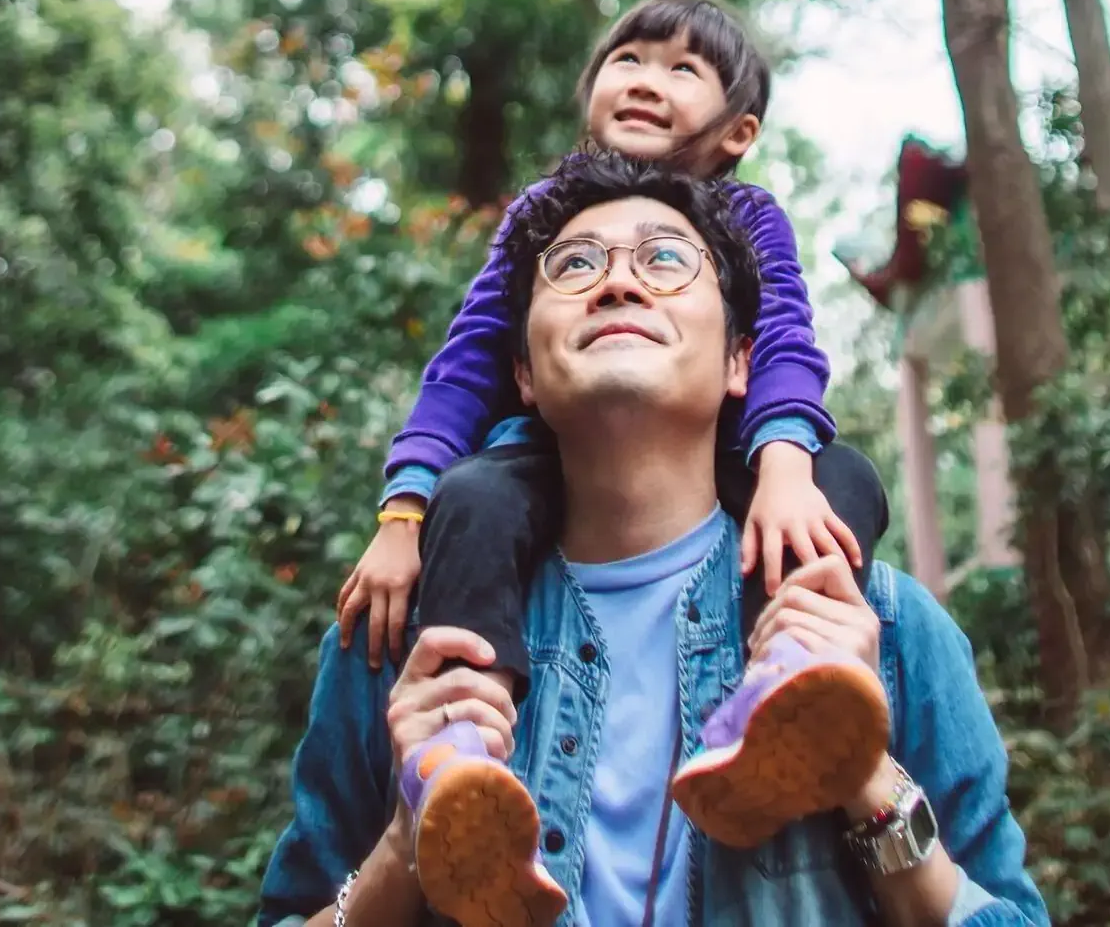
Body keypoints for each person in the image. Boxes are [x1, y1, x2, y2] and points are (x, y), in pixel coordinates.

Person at [261, 149, 1051, 927]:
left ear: (743, 360)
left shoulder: (885, 629)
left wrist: (867, 776)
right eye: (572, 267)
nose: (617, 281)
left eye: (667, 259)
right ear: (525, 376)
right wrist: (406, 847)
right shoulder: (404, 644)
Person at [335, 0, 898, 909]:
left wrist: (785, 459)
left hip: (732, 450)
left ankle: (788, 682)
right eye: (627, 58)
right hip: (544, 468)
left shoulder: (749, 217)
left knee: (845, 478)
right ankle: (461, 754)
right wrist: (404, 512)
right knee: (472, 496)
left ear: (737, 131)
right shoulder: (540, 220)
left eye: (684, 69)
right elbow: (463, 365)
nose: (646, 77)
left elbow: (787, 339)